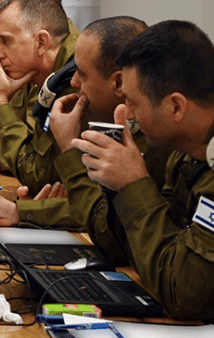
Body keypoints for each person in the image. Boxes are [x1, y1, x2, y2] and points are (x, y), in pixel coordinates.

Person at [0, 17, 171, 236]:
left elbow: (111, 224)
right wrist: (18, 212)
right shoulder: (100, 109)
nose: (73, 82)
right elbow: (105, 211)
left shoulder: (159, 138)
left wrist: (69, 148)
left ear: (119, 82)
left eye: (82, 73)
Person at [68, 20, 214, 321]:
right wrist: (118, 185)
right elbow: (131, 250)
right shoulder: (185, 153)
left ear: (176, 107)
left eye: (133, 102)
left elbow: (183, 294)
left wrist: (134, 184)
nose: (128, 114)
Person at [0, 0, 74, 195]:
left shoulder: (73, 78)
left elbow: (39, 175)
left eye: (6, 41)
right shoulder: (43, 72)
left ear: (41, 42)